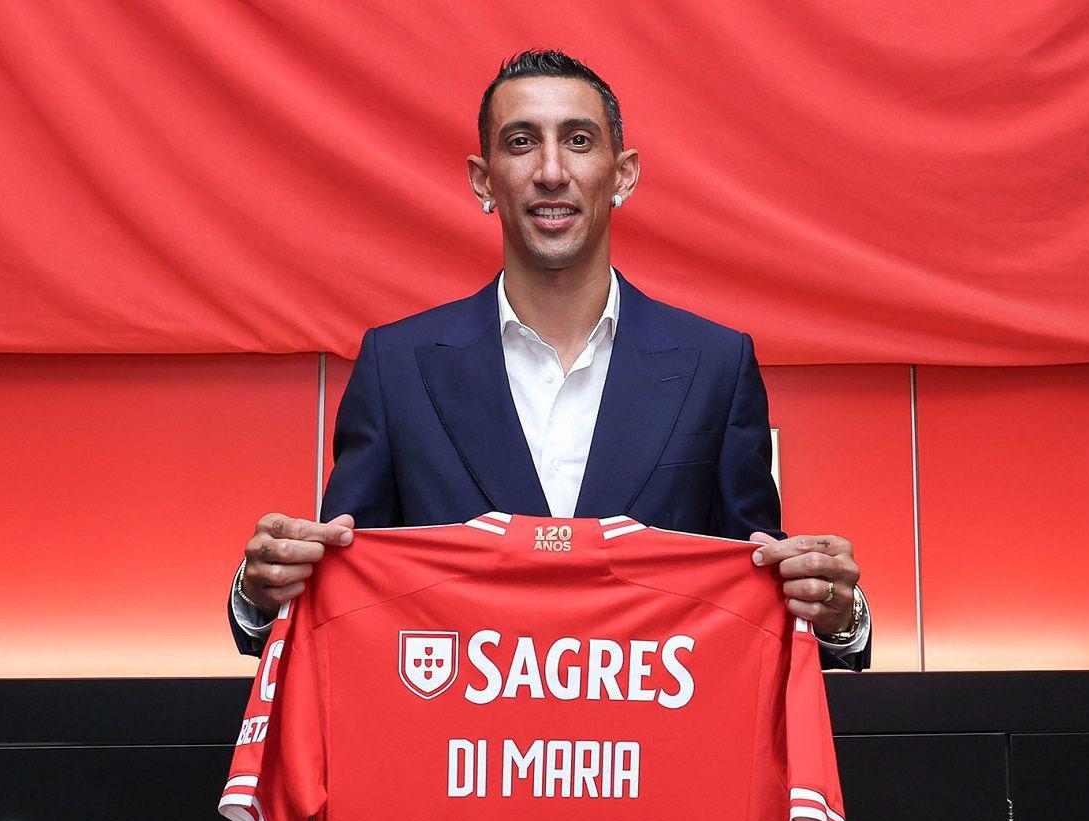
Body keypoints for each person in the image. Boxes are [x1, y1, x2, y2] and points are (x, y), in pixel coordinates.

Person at [227, 49, 870, 671]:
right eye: (521, 142)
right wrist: (262, 595)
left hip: (650, 768)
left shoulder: (717, 365)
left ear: (624, 174)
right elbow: (341, 591)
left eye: (580, 140)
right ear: (484, 180)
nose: (553, 171)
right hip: (456, 766)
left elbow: (757, 595)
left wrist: (839, 615)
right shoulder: (396, 368)